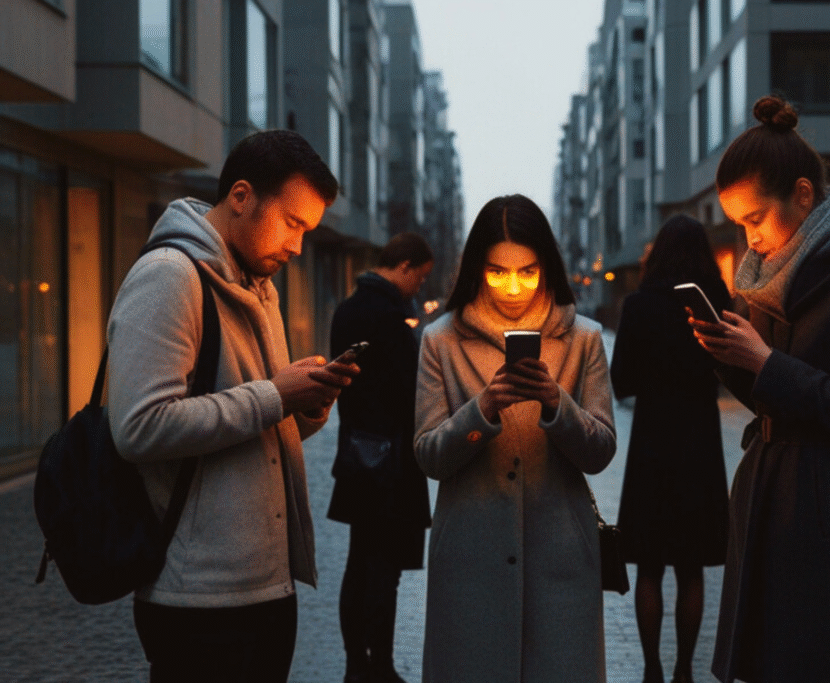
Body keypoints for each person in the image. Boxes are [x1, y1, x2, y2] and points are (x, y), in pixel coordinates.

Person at [107, 129, 359, 683]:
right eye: (293, 223)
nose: (297, 246)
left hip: (265, 583)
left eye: (307, 231)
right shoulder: (170, 276)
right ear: (242, 196)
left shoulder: (258, 284)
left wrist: (307, 401)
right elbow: (139, 428)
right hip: (196, 594)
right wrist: (276, 394)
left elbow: (258, 428)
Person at [688, 96, 830, 683]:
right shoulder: (770, 281)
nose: (749, 238)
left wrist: (765, 362)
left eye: (756, 218)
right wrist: (729, 356)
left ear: (804, 194)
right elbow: (774, 395)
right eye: (738, 223)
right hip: (772, 507)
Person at [413, 194, 617, 683]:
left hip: (561, 561)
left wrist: (555, 403)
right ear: (475, 269)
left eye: (527, 271)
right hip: (470, 562)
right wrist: (482, 410)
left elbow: (601, 450)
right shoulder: (440, 340)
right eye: (496, 272)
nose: (512, 287)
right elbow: (429, 455)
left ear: (546, 266)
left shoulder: (583, 338)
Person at [609, 215, 732, 683]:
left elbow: (622, 381)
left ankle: (652, 670)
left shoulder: (639, 306)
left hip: (653, 445)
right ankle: (684, 669)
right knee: (692, 566)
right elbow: (728, 374)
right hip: (698, 444)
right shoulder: (716, 304)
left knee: (650, 565)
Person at [326, 232, 435, 683]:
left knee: (358, 563)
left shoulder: (349, 308)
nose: (420, 288)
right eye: (421, 277)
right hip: (392, 461)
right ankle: (382, 666)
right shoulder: (393, 317)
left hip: (357, 453)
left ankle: (356, 664)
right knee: (384, 570)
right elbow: (411, 391)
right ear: (405, 266)